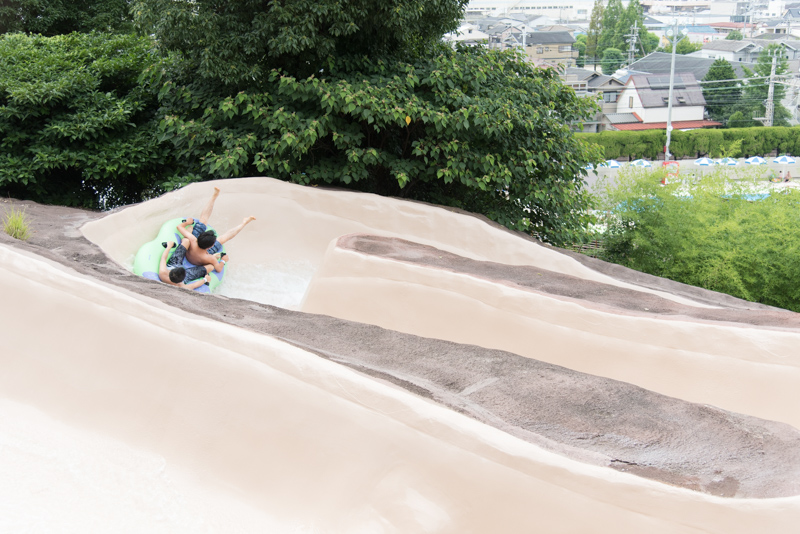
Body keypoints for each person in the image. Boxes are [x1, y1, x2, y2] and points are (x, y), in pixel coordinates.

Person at [177, 187, 256, 272]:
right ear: (210, 246)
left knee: (203, 220)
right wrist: (223, 260)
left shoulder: (192, 240)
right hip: (202, 257)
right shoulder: (210, 258)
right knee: (222, 239)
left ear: (199, 237)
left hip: (191, 252)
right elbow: (218, 269)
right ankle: (244, 223)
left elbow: (179, 227)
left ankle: (214, 196)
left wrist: (187, 223)